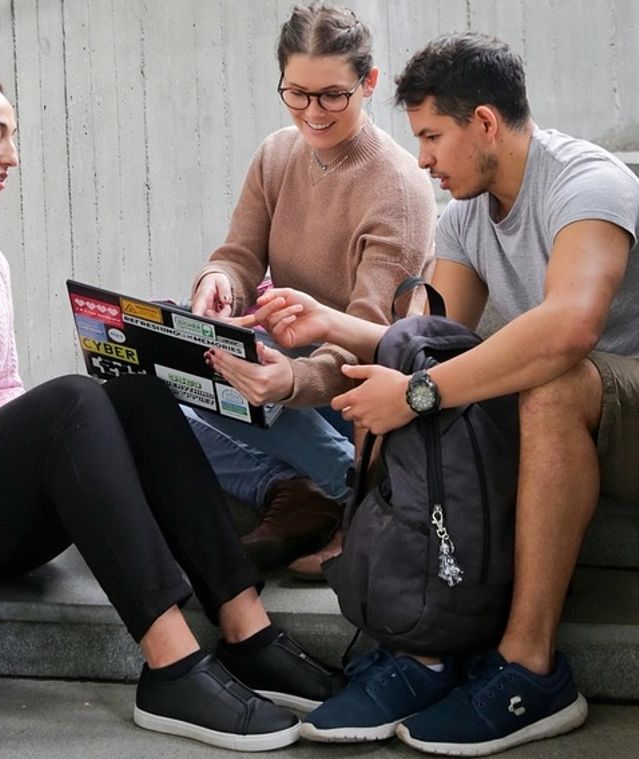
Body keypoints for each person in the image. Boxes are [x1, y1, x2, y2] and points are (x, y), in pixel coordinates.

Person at [0, 64, 345, 753]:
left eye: (13, 138)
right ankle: (173, 667)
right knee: (71, 399)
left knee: (136, 391)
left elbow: (5, 394)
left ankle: (247, 632)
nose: (11, 156)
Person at [247, 33, 639, 756]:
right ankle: (426, 643)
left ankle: (530, 670)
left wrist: (419, 393)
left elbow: (570, 328)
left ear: (483, 122)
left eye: (432, 137)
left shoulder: (587, 184)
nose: (422, 160)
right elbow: (427, 342)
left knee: (542, 382)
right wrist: (332, 326)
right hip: (567, 427)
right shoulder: (467, 218)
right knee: (420, 357)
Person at [189, 3, 436, 574]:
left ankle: (357, 485)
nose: (313, 112)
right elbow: (238, 256)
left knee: (214, 379)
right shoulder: (277, 154)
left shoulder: (398, 188)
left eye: (332, 96)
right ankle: (293, 489)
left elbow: (368, 335)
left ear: (368, 83)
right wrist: (218, 283)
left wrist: (291, 381)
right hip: (284, 365)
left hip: (353, 390)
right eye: (296, 93)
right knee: (143, 381)